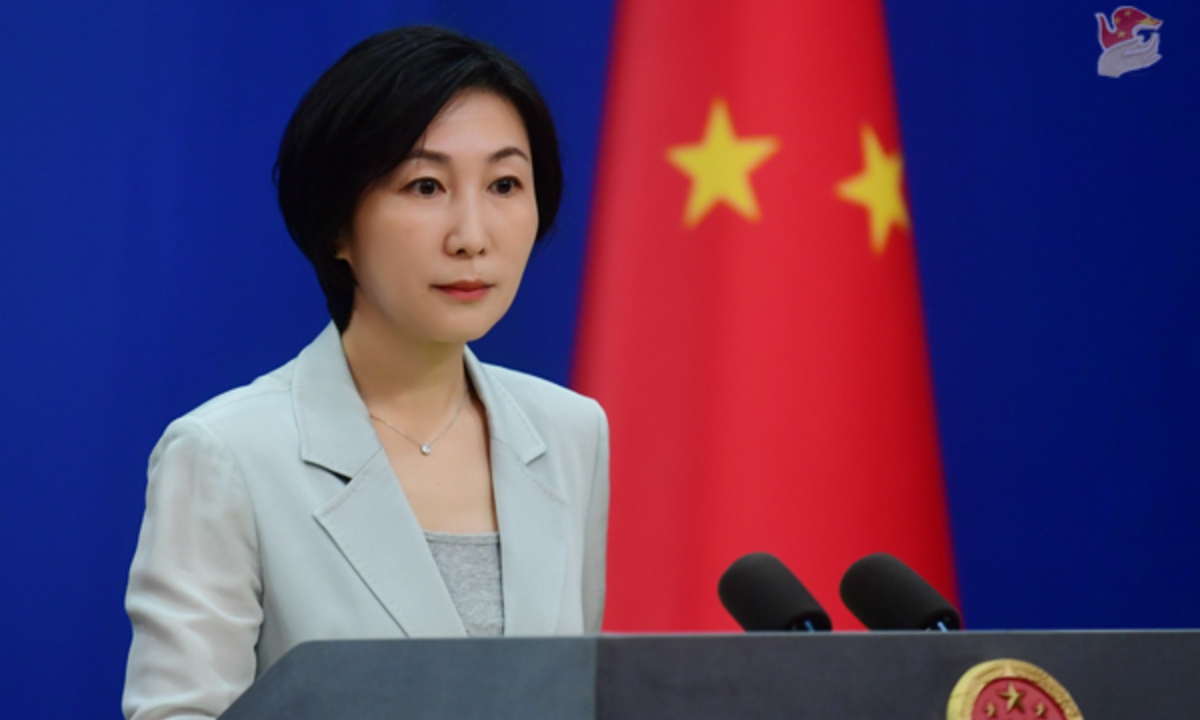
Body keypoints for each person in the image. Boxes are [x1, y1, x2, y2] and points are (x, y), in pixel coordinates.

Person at [122, 26, 609, 720]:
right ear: (337, 226)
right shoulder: (227, 453)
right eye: (426, 186)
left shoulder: (570, 433)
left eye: (505, 184)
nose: (472, 236)